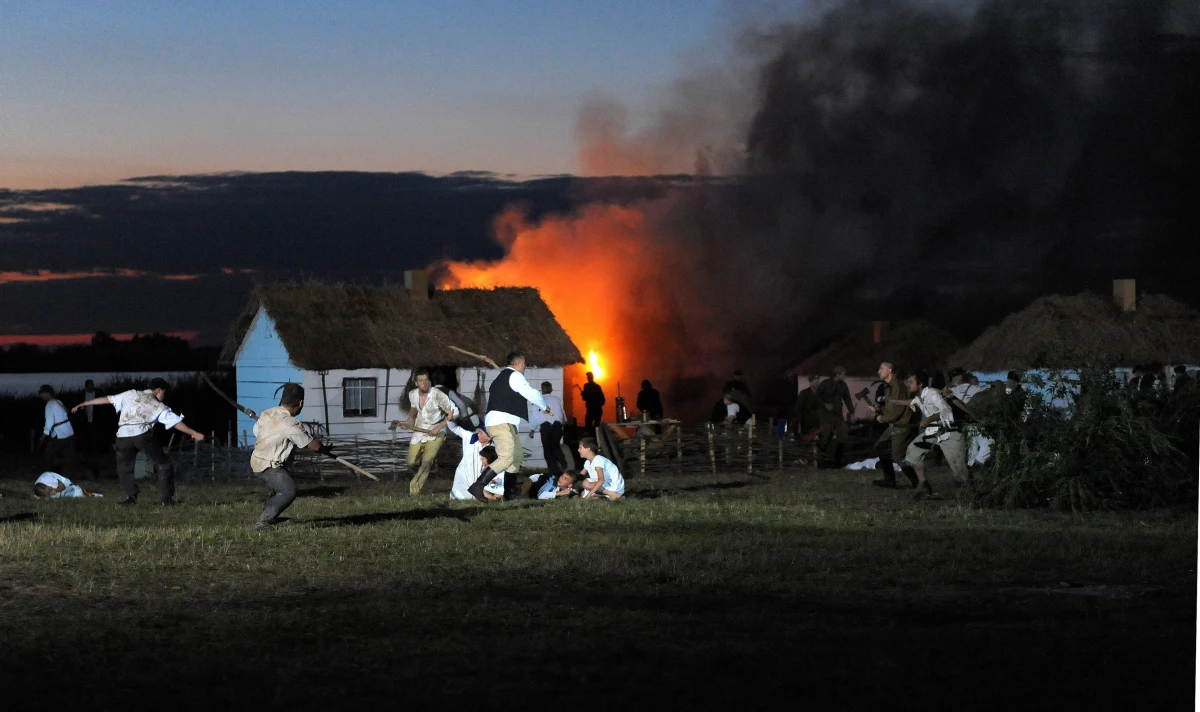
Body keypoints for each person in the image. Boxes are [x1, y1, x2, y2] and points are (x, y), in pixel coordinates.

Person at [72, 377, 205, 506]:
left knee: (124, 467)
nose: (164, 395)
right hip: (142, 435)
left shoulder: (130, 394)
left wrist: (83, 404)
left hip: (122, 436)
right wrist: (193, 433)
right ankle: (166, 499)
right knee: (164, 463)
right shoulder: (158, 405)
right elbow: (176, 422)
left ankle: (131, 498)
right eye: (164, 392)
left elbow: (107, 399)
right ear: (159, 390)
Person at [469, 351, 553, 502]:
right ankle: (478, 485)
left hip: (504, 422)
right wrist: (544, 406)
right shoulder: (515, 376)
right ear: (519, 363)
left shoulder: (503, 377)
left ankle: (509, 493)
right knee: (507, 457)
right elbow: (531, 393)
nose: (525, 366)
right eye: (525, 364)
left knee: (517, 456)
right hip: (501, 422)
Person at [249, 383, 333, 530]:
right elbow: (313, 445)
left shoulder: (267, 414)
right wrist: (324, 449)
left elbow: (257, 431)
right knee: (288, 491)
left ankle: (271, 517)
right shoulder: (291, 424)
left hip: (258, 460)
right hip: (267, 465)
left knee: (280, 490)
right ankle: (263, 522)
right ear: (301, 403)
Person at [898, 371, 968, 501]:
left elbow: (946, 410)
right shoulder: (920, 397)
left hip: (949, 433)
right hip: (933, 432)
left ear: (920, 384)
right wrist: (895, 402)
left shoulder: (933, 394)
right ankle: (924, 486)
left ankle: (969, 494)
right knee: (913, 452)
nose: (908, 384)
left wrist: (929, 419)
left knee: (959, 469)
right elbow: (912, 402)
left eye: (911, 382)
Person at [399, 368, 459, 495]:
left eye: (426, 380)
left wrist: (438, 427)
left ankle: (414, 490)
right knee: (411, 461)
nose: (424, 383)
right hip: (420, 430)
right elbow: (414, 409)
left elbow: (455, 413)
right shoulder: (412, 394)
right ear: (416, 383)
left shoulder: (438, 395)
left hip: (437, 431)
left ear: (430, 381)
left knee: (427, 461)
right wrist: (409, 421)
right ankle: (423, 468)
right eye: (421, 381)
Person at [871, 362, 915, 489]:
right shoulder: (889, 386)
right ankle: (889, 480)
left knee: (898, 456)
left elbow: (899, 409)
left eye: (881, 369)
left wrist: (883, 418)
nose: (878, 371)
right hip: (894, 424)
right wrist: (880, 409)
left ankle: (917, 482)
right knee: (880, 447)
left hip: (901, 425)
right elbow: (892, 407)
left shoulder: (897, 386)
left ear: (889, 371)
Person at [448, 422, 502, 500]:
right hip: (464, 474)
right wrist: (450, 419)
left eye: (481, 433)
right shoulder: (470, 437)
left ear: (489, 437)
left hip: (480, 476)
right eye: (479, 432)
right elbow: (454, 428)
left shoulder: (494, 447)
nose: (478, 434)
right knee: (460, 496)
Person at [816, 366, 853, 467]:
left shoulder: (843, 385)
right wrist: (824, 404)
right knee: (826, 437)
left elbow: (847, 399)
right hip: (826, 415)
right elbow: (817, 396)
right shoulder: (825, 383)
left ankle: (837, 463)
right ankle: (821, 461)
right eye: (843, 374)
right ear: (837, 375)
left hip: (837, 414)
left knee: (843, 436)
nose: (844, 376)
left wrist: (852, 412)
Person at [529, 381, 567, 477]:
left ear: (542, 390)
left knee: (547, 450)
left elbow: (534, 416)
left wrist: (532, 429)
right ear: (551, 389)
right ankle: (561, 462)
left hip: (546, 428)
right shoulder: (556, 399)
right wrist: (564, 422)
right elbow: (561, 412)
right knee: (555, 446)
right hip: (557, 426)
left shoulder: (538, 400)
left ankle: (553, 470)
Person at [38, 385, 75, 469]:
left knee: (49, 453)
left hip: (61, 433)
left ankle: (51, 472)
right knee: (67, 454)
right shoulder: (58, 401)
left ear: (47, 393)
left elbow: (49, 422)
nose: (41, 396)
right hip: (69, 431)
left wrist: (44, 435)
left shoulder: (50, 404)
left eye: (42, 394)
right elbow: (65, 412)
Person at [33, 471, 102, 500]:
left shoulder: (48, 479)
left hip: (66, 484)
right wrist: (47, 496)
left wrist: (55, 490)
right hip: (54, 488)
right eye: (46, 493)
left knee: (78, 495)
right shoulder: (38, 489)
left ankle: (90, 494)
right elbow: (44, 497)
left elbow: (62, 486)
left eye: (48, 491)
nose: (48, 493)